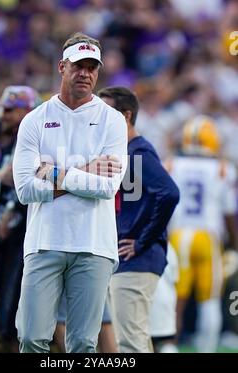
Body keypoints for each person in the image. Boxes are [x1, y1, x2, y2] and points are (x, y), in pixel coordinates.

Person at [12, 32, 128, 353]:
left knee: (83, 344)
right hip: (44, 240)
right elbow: (24, 189)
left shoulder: (112, 120)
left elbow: (108, 187)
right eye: (78, 65)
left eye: (92, 67)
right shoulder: (35, 120)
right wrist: (87, 171)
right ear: (62, 66)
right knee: (32, 337)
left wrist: (55, 174)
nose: (85, 73)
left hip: (94, 243)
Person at [98, 86, 180, 353]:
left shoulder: (138, 153)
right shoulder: (126, 152)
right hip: (129, 256)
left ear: (125, 116)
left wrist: (142, 240)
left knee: (129, 342)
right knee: (136, 339)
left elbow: (169, 193)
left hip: (136, 258)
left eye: (105, 112)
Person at [167, 115, 238, 353]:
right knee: (210, 298)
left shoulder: (172, 164)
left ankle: (170, 346)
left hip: (178, 235)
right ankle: (206, 347)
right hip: (207, 236)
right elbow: (229, 212)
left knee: (176, 299)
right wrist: (235, 243)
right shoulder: (222, 169)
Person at [0, 85, 41, 352]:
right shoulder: (9, 142)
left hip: (27, 236)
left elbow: (26, 184)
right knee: (4, 306)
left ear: (27, 110)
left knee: (18, 310)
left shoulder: (39, 140)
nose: (4, 115)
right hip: (8, 237)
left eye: (9, 110)